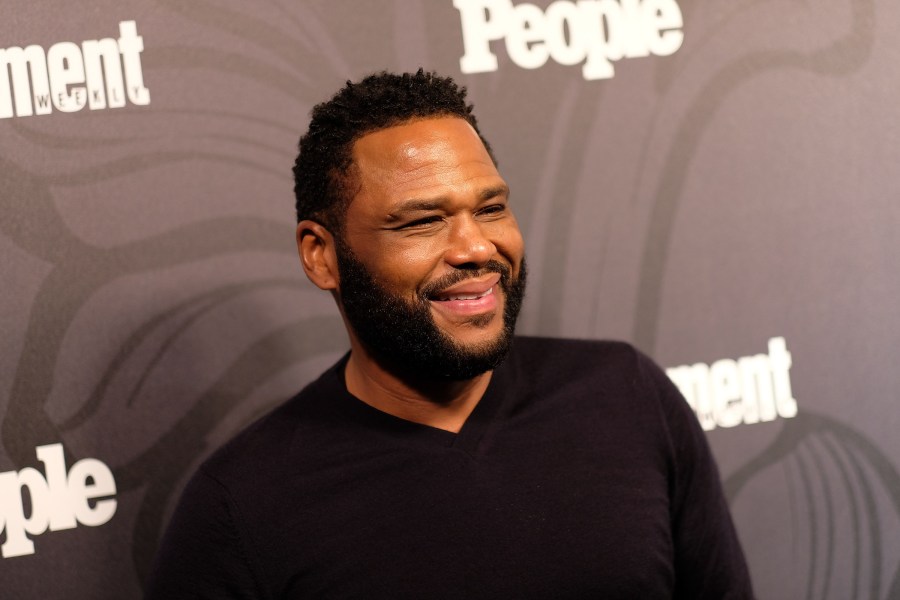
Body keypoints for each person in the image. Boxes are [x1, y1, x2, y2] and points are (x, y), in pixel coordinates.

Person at [146, 70, 753, 599]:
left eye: (490, 209)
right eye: (422, 222)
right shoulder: (241, 506)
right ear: (322, 256)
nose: (475, 248)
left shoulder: (627, 395)